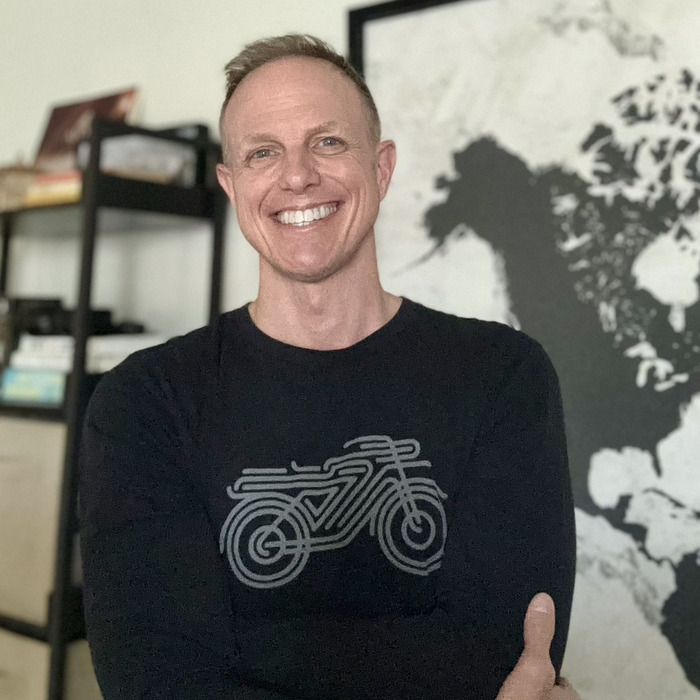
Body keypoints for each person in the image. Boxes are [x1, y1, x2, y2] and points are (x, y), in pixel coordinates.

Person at [79, 34, 580, 700]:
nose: (297, 176)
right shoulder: (142, 402)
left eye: (328, 142)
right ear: (232, 185)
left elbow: (499, 654)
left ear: (382, 167)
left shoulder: (505, 375)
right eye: (263, 152)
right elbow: (158, 678)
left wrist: (251, 653)